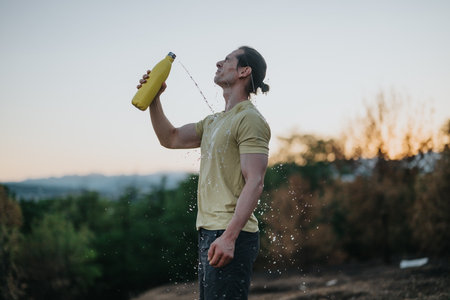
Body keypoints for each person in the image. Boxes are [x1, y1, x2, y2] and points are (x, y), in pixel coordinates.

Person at [138, 46, 271, 299]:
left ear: (244, 71)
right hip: (209, 232)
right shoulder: (213, 121)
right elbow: (171, 138)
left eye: (227, 60)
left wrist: (229, 237)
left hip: (231, 232)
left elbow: (255, 182)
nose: (218, 63)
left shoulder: (250, 119)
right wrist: (154, 97)